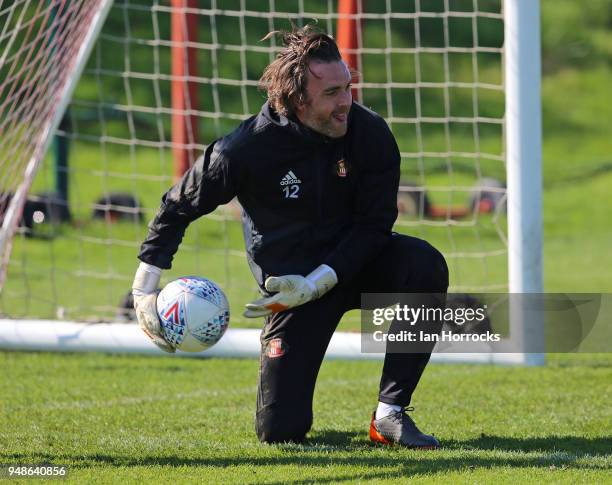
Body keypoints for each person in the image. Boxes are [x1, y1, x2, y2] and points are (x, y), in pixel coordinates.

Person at [132, 25, 448, 448]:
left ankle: (390, 415)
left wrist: (321, 278)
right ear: (298, 100)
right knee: (280, 433)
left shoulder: (369, 133)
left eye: (348, 88)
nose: (346, 103)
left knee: (424, 265)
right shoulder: (244, 150)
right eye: (332, 93)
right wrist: (143, 291)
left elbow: (375, 227)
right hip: (291, 291)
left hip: (354, 266)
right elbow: (178, 205)